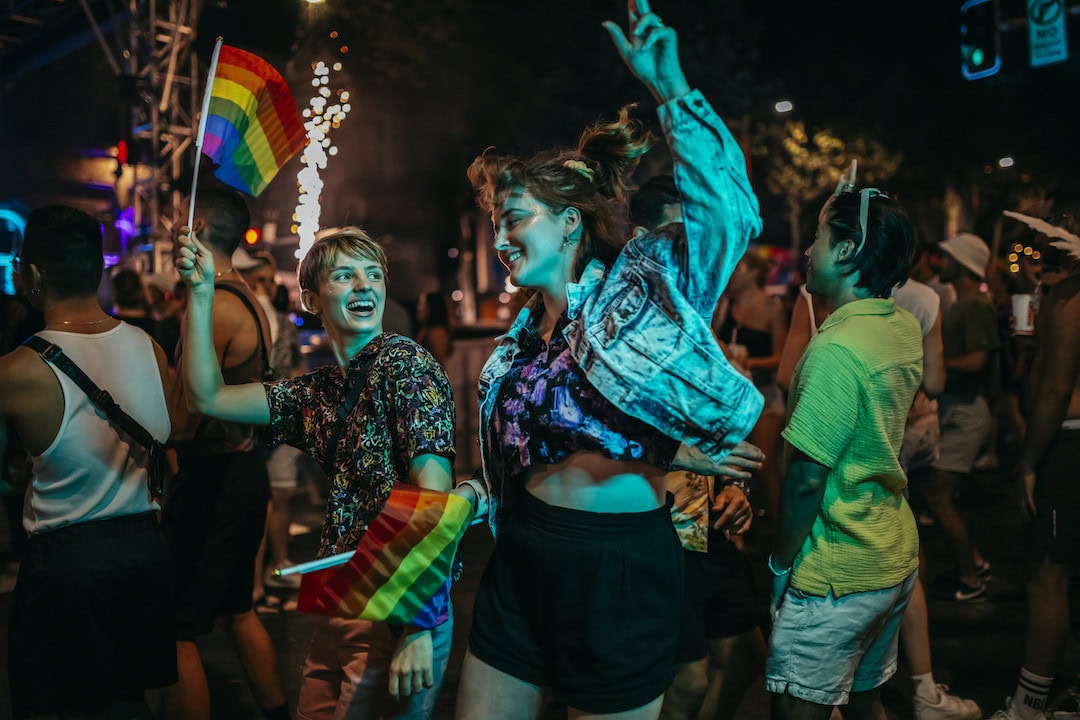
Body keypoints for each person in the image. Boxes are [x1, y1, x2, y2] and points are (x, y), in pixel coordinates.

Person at [452, 3, 764, 718]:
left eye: (513, 218)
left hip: (617, 565)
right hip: (523, 560)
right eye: (495, 222)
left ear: (568, 223)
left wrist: (672, 89)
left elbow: (729, 218)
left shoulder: (646, 280)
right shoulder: (517, 347)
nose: (500, 237)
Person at [175, 226, 457, 719]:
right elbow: (208, 397)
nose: (364, 286)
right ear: (311, 299)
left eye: (373, 274)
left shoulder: (408, 366)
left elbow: (435, 497)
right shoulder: (320, 392)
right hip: (339, 605)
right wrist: (200, 295)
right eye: (345, 276)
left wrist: (417, 625)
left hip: (397, 606)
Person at [1, 205, 176, 719]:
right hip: (145, 553)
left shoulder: (18, 370)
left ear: (32, 276)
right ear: (98, 270)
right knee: (129, 702)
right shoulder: (150, 348)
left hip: (67, 566)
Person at [767, 188, 922, 720]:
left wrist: (780, 564)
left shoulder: (835, 352)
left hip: (834, 574)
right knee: (865, 701)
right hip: (889, 554)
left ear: (849, 249)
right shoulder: (898, 326)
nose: (807, 251)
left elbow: (806, 479)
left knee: (796, 710)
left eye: (818, 237)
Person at [629, 175, 768, 720]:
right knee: (686, 679)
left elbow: (714, 436)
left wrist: (731, 491)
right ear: (643, 238)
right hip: (655, 531)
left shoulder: (697, 324)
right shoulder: (622, 331)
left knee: (747, 654)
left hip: (703, 520)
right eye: (675, 234)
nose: (690, 250)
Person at [161, 187, 289, 720]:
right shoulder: (242, 297)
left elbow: (188, 414)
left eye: (180, 217)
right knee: (238, 610)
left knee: (175, 627)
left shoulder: (213, 304)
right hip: (241, 472)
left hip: (214, 479)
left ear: (203, 224)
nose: (173, 227)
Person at [990, 237, 1080, 720]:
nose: (1038, 264)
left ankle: (1028, 707)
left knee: (1048, 575)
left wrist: (1027, 462)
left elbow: (1053, 389)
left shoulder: (1069, 299)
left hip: (1067, 443)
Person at [925, 233, 997, 602]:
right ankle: (975, 562)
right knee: (938, 495)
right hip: (956, 408)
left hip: (967, 410)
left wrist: (932, 365)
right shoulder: (960, 303)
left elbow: (978, 361)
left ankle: (971, 579)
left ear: (964, 262)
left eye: (948, 256)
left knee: (938, 497)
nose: (940, 260)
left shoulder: (976, 306)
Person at [714, 252, 787, 517]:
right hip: (731, 397)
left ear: (754, 272)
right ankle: (737, 530)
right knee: (732, 465)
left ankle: (778, 530)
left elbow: (782, 356)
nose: (730, 273)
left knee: (764, 466)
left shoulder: (772, 308)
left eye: (737, 267)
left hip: (765, 395)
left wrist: (747, 360)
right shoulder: (723, 305)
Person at [416, 291, 454, 365]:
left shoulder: (436, 333)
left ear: (431, 307)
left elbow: (438, 362)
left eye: (421, 304)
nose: (418, 308)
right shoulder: (426, 330)